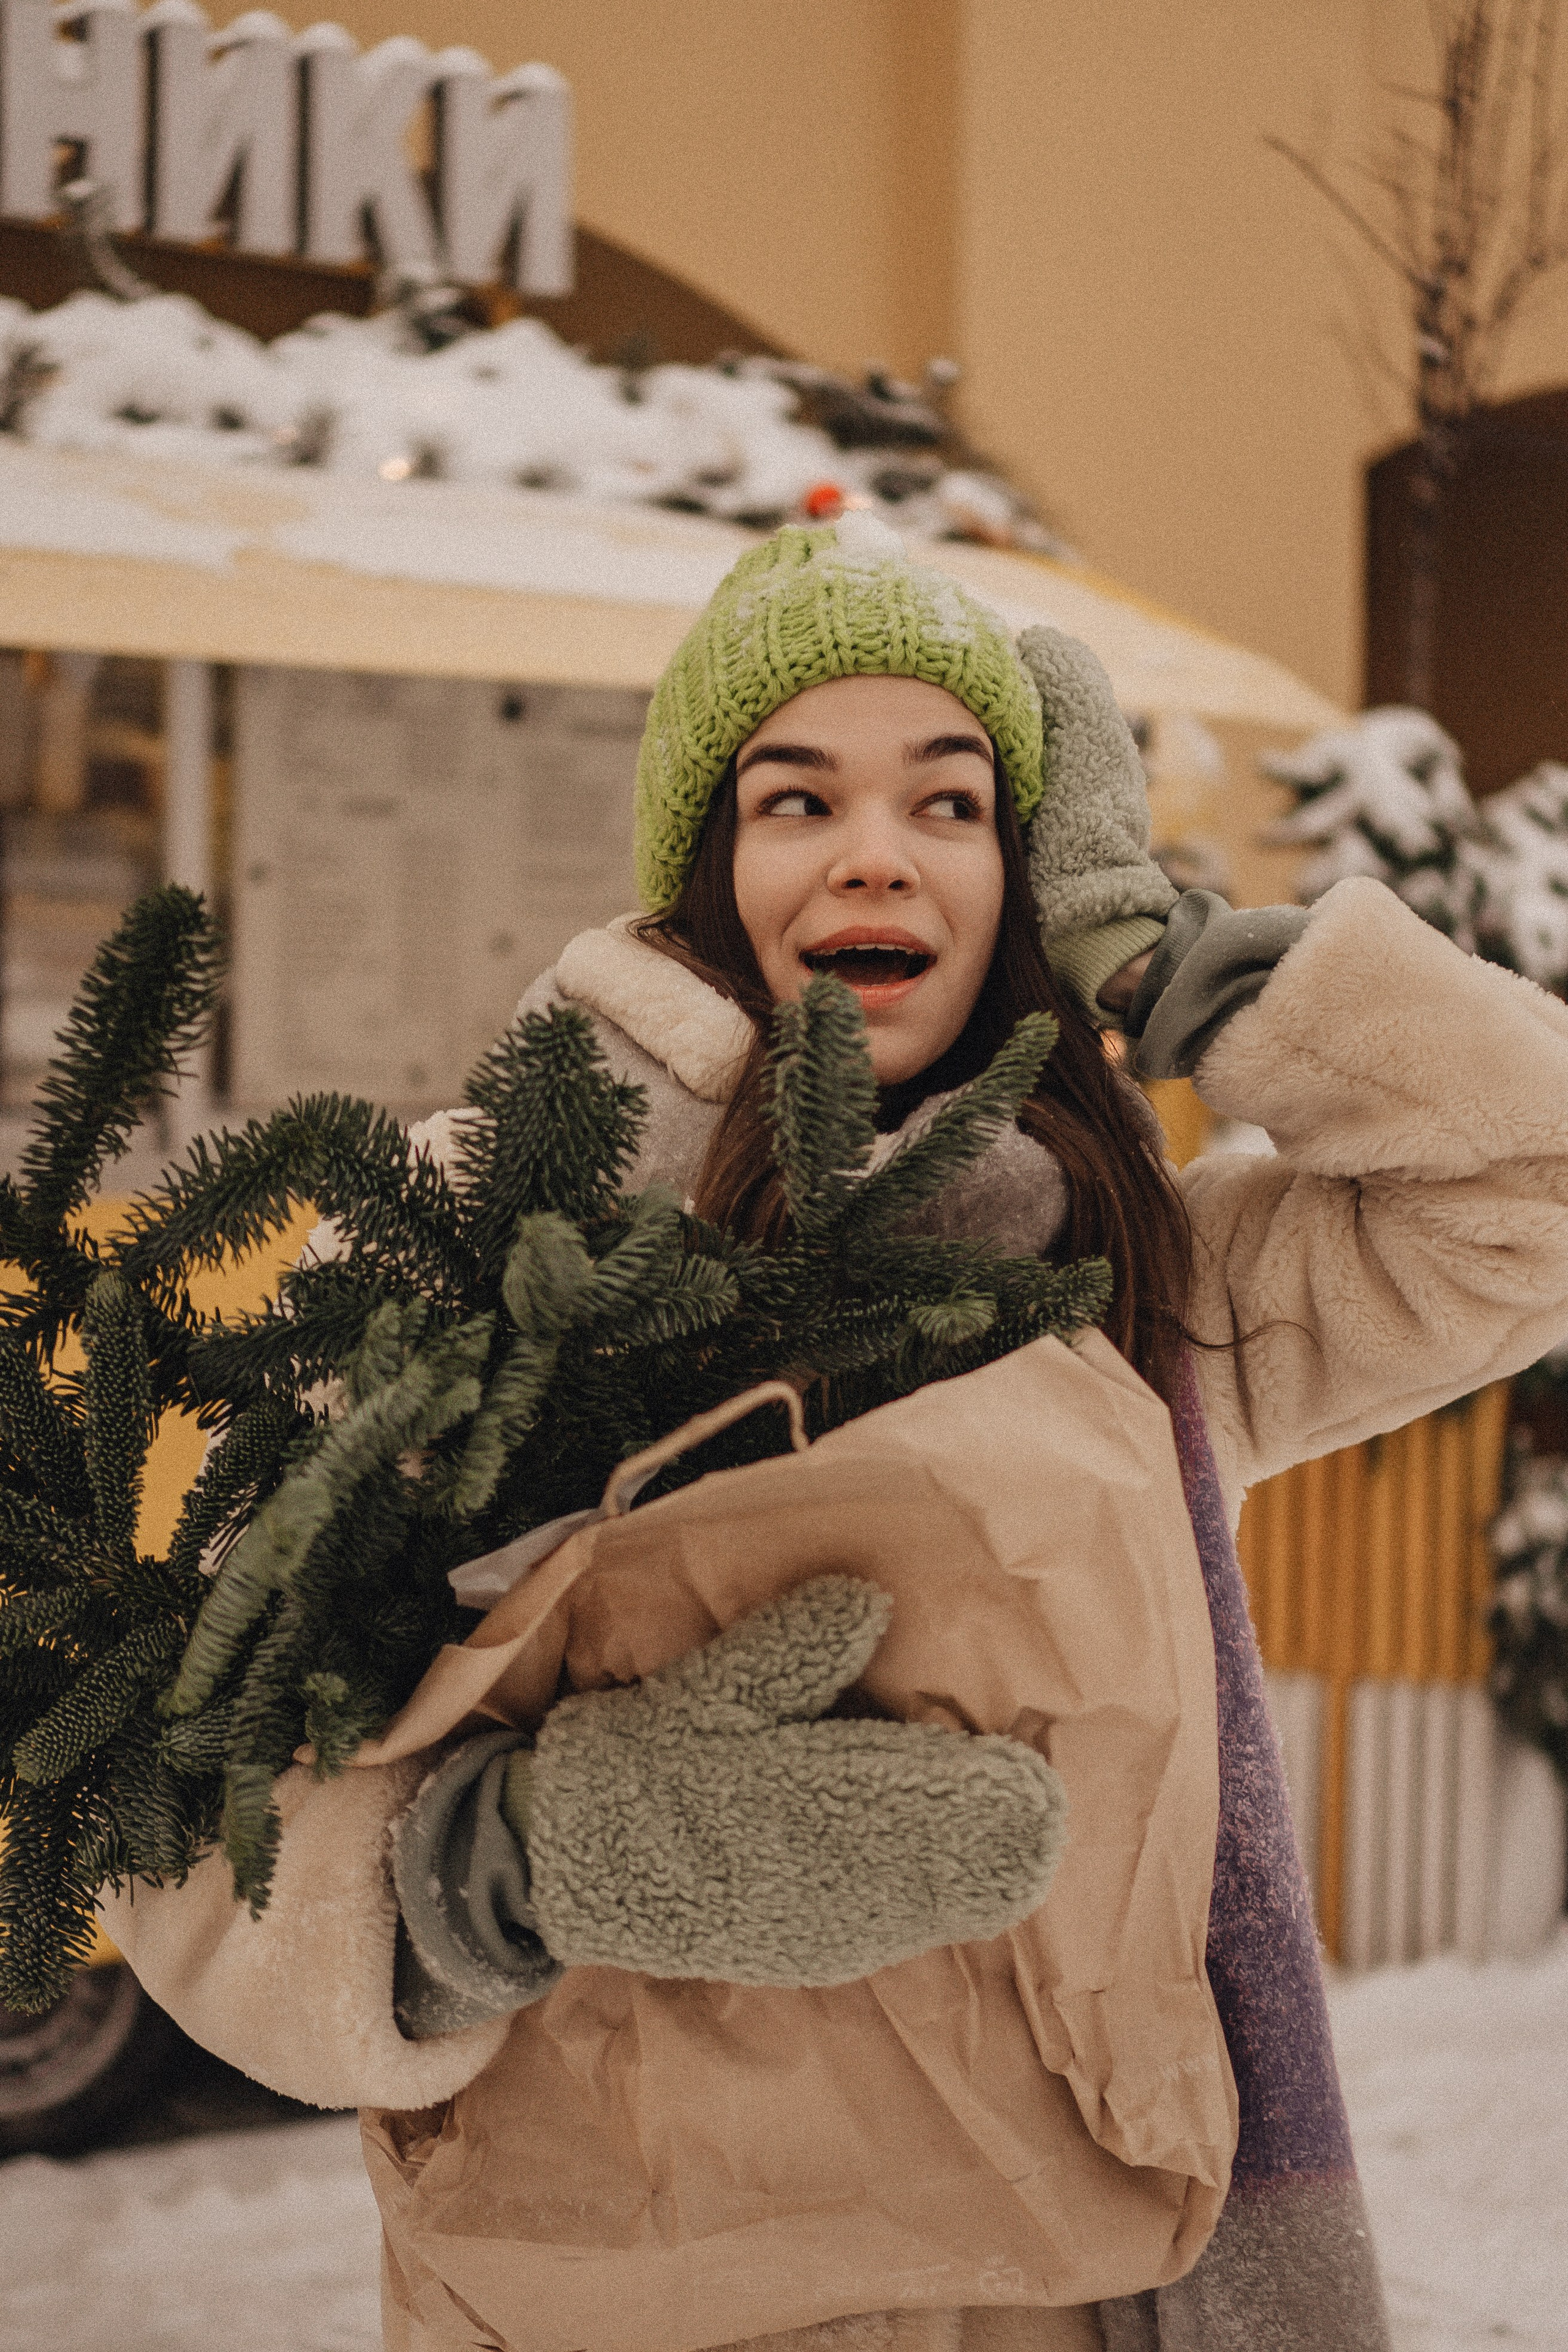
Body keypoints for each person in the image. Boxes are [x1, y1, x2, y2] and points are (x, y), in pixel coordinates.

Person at [102, 516, 1568, 2352]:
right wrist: (501, 1868)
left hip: (1081, 2289)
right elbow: (179, 1802)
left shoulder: (1128, 1277)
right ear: (707, 864)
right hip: (624, 2293)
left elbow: (1536, 1187)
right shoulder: (465, 1235)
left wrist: (1163, 961)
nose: (876, 853)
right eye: (796, 800)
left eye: (953, 807)